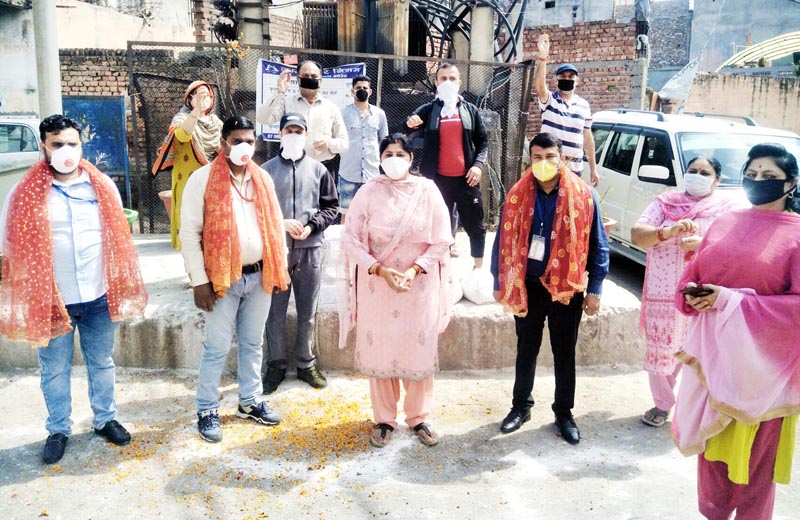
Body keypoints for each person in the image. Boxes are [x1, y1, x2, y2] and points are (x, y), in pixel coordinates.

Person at [0, 114, 148, 464]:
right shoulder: (24, 193)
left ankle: (105, 419)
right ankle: (58, 429)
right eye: (57, 144)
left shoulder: (101, 187)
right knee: (54, 368)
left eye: (72, 143)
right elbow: (7, 242)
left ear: (81, 146)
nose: (66, 150)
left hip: (97, 294)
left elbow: (119, 237)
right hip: (53, 299)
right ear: (43, 147)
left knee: (101, 362)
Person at [672, 143, 800, 519]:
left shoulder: (797, 235)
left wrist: (728, 301)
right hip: (714, 368)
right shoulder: (725, 222)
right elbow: (691, 281)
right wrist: (693, 298)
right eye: (751, 173)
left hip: (764, 377)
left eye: (770, 177)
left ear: (791, 185)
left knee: (754, 469)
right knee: (712, 458)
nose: (757, 181)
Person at [490, 133, 609, 445]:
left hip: (566, 288)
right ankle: (521, 407)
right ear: (530, 159)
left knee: (564, 351)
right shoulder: (516, 195)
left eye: (550, 157)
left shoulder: (584, 196)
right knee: (525, 349)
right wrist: (497, 282)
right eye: (538, 157)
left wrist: (595, 287)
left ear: (562, 158)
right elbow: (501, 241)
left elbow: (599, 246)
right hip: (526, 285)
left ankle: (564, 412)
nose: (544, 163)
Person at [339, 133, 453, 448]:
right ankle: (384, 420)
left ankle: (418, 418)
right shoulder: (368, 192)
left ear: (411, 159)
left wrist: (415, 270)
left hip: (418, 286)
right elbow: (350, 240)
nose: (394, 159)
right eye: (388, 153)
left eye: (400, 154)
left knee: (417, 348)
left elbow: (442, 239)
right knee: (382, 349)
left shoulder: (427, 191)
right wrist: (379, 269)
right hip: (379, 286)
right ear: (380, 158)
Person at [180, 116, 289, 443]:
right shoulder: (202, 180)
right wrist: (199, 280)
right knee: (216, 347)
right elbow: (189, 233)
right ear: (223, 144)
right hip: (220, 280)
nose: (244, 147)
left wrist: (279, 264)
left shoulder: (262, 179)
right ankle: (206, 408)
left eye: (249, 141)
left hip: (259, 276)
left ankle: (250, 400)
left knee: (253, 343)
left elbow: (277, 224)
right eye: (237, 141)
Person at [631, 156, 744, 428]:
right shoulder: (665, 203)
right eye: (692, 170)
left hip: (702, 294)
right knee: (662, 348)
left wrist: (704, 242)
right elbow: (637, 234)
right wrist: (668, 231)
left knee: (697, 348)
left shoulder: (726, 209)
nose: (697, 175)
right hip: (664, 292)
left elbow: (736, 247)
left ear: (716, 181)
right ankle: (663, 402)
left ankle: (691, 408)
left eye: (705, 172)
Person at [261, 113, 339, 394]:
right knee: (274, 311)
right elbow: (257, 210)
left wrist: (311, 225)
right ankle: (276, 364)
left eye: (299, 130)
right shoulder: (266, 171)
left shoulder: (319, 170)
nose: (294, 134)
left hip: (310, 250)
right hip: (276, 251)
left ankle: (306, 363)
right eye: (289, 130)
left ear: (306, 134)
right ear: (280, 134)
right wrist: (279, 224)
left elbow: (331, 207)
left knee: (308, 311)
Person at [405, 63, 489, 269]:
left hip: (466, 180)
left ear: (459, 83)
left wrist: (477, 165)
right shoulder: (429, 110)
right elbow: (407, 127)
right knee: (435, 226)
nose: (448, 83)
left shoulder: (470, 110)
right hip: (436, 181)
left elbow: (483, 141)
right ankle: (438, 268)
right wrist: (410, 122)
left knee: (475, 225)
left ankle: (478, 269)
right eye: (443, 79)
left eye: (452, 78)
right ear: (436, 83)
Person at [152, 80, 223, 250]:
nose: (204, 99)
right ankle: (187, 247)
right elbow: (183, 136)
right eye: (199, 96)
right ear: (189, 99)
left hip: (210, 175)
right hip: (187, 176)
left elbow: (221, 146)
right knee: (188, 211)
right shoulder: (182, 118)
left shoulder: (216, 122)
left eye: (207, 96)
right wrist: (196, 113)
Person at [255, 60, 348, 168]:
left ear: (320, 80)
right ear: (298, 79)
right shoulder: (287, 103)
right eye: (305, 75)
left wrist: (329, 143)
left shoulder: (331, 108)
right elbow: (262, 119)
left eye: (313, 76)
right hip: (290, 167)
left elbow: (344, 144)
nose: (309, 78)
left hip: (322, 168)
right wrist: (279, 92)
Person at [534, 34, 599, 187]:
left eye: (571, 76)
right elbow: (540, 87)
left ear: (577, 81)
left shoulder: (583, 105)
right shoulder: (550, 100)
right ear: (556, 80)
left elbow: (588, 139)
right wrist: (542, 58)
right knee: (547, 206)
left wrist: (593, 168)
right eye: (563, 76)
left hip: (574, 168)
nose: (567, 78)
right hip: (549, 166)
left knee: (570, 208)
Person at [338, 74, 389, 224]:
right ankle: (345, 245)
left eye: (364, 88)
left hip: (371, 173)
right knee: (346, 214)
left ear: (370, 91)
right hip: (348, 173)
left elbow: (384, 140)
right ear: (352, 91)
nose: (361, 90)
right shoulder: (343, 113)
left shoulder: (379, 114)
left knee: (372, 213)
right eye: (358, 88)